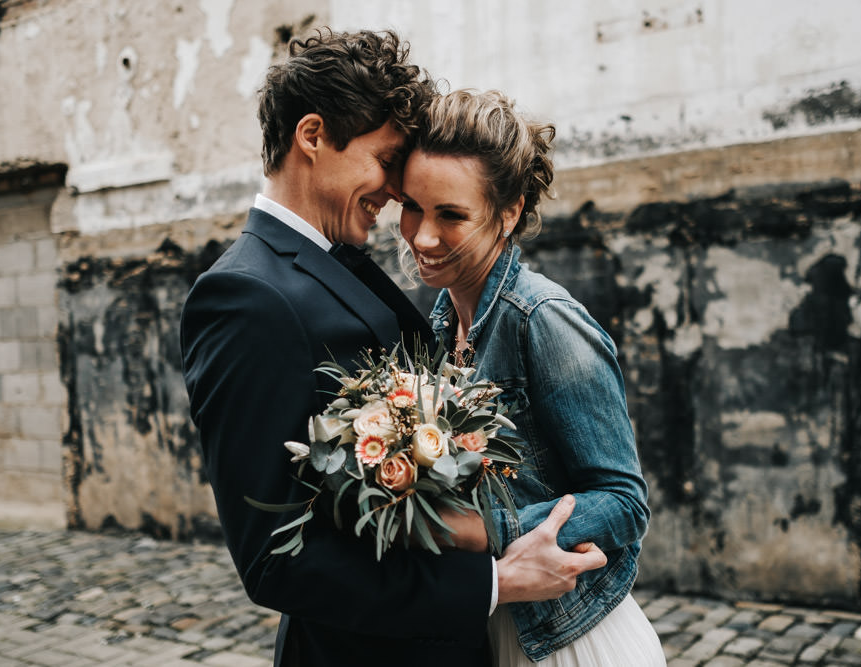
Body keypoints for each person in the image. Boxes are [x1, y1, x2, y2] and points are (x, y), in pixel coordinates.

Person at [180, 30, 608, 667]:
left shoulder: (344, 261)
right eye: (384, 160)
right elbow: (275, 558)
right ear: (313, 136)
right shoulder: (245, 296)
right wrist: (493, 584)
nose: (394, 192)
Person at [398, 89, 666, 666]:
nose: (421, 236)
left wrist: (481, 530)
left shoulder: (543, 319)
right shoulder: (441, 327)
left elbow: (625, 502)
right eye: (411, 206)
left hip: (574, 642)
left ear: (510, 210)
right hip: (494, 629)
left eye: (450, 215)